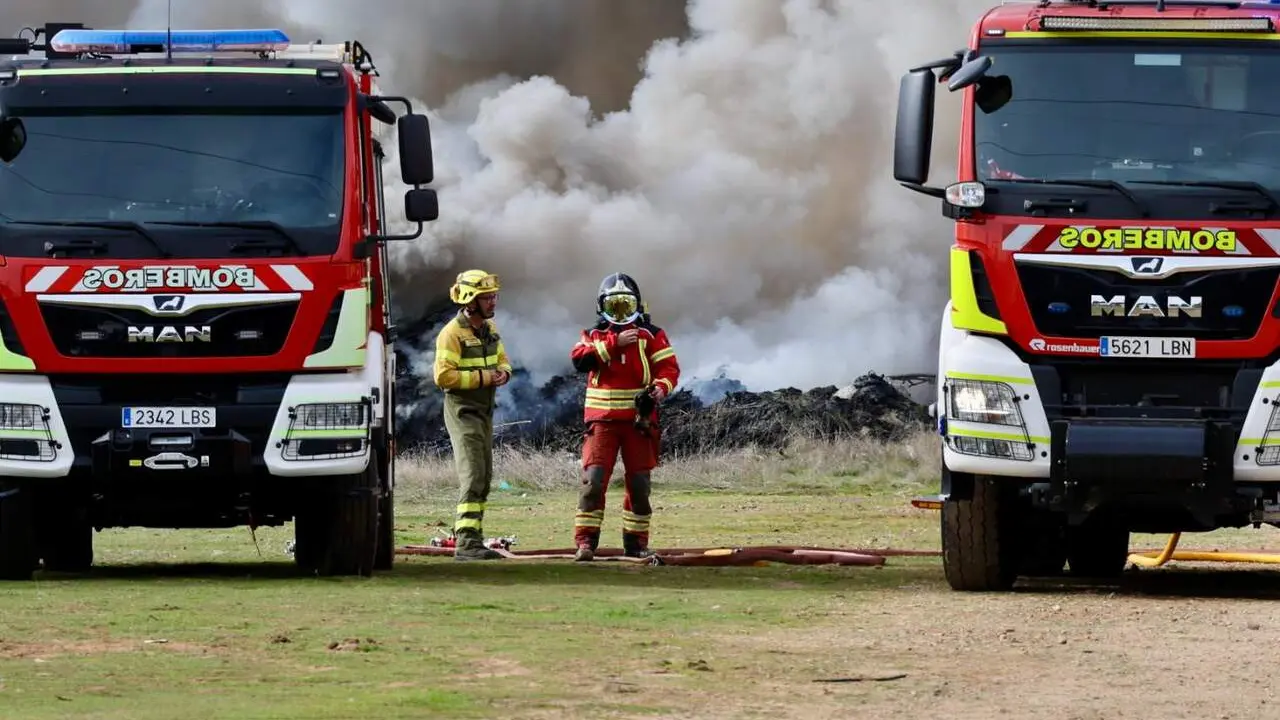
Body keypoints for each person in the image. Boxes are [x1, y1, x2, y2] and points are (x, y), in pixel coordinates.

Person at [568, 272, 680, 561]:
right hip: (602, 422)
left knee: (640, 485)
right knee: (593, 481)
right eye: (614, 306)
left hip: (639, 422)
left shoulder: (652, 335)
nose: (620, 312)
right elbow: (579, 360)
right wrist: (614, 343)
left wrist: (660, 388)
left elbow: (669, 368)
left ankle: (636, 544)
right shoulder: (593, 335)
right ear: (602, 306)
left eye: (625, 305)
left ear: (637, 305)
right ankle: (586, 543)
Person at [433, 269, 513, 561]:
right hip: (463, 410)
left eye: (494, 296)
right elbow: (443, 376)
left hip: (484, 411)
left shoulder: (489, 329)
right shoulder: (452, 334)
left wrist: (504, 373)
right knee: (473, 475)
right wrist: (485, 377)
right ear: (470, 300)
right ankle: (466, 544)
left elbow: (503, 360)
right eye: (486, 297)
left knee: (485, 476)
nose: (493, 302)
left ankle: (473, 539)